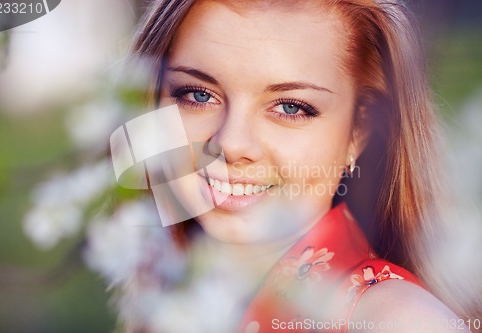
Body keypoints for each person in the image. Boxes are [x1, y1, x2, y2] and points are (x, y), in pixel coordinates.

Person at [120, 0, 481, 332]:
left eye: (290, 107)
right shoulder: (170, 293)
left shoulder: (401, 322)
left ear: (360, 129)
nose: (231, 143)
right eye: (198, 95)